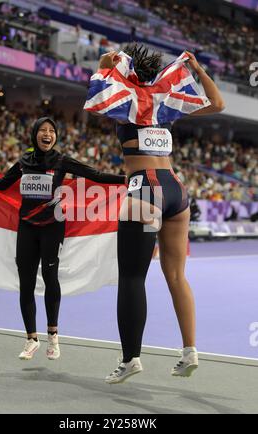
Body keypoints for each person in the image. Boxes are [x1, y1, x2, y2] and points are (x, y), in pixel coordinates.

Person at [95, 46, 225, 383]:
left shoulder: (126, 100)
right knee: (177, 275)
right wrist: (196, 68)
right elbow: (219, 104)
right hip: (176, 189)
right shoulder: (167, 101)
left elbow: (97, 90)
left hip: (144, 187)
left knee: (132, 278)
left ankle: (130, 359)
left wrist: (106, 63)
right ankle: (189, 352)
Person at [0, 117, 126, 361]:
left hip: (52, 228)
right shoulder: (24, 161)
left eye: (52, 131)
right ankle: (31, 339)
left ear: (55, 136)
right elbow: (4, 184)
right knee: (25, 284)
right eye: (43, 130)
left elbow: (96, 175)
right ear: (35, 134)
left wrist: (125, 179)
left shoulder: (61, 161)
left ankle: (53, 336)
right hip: (26, 227)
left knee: (50, 279)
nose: (47, 134)